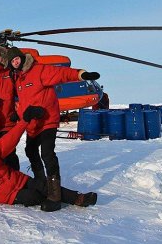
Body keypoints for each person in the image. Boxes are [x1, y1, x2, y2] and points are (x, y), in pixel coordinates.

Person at [6, 46, 100, 212]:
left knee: (47, 154)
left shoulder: (39, 70)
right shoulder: (18, 80)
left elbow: (61, 74)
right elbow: (26, 103)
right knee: (30, 151)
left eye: (17, 59)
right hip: (33, 125)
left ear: (21, 58)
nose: (15, 62)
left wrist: (80, 74)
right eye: (12, 61)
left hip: (47, 121)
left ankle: (55, 196)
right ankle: (41, 183)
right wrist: (18, 115)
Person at [0, 120, 98, 210]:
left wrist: (24, 121)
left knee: (45, 186)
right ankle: (49, 201)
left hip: (18, 179)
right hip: (5, 194)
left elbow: (11, 138)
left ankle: (79, 198)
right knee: (35, 196)